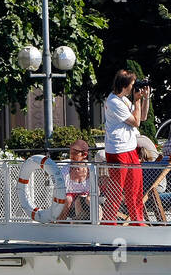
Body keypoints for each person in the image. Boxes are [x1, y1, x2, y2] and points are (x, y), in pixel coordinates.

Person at [102, 69, 149, 225]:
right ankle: (109, 224)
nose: (135, 87)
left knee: (135, 189)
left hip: (130, 149)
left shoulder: (123, 100)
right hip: (117, 151)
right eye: (133, 84)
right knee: (116, 191)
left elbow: (142, 117)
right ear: (125, 85)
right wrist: (136, 101)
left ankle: (138, 222)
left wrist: (145, 99)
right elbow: (135, 122)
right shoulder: (113, 101)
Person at [57, 139, 92, 221]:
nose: (71, 156)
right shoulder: (66, 169)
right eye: (70, 152)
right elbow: (60, 190)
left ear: (84, 155)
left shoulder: (91, 169)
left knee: (81, 200)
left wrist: (88, 197)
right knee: (68, 199)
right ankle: (60, 224)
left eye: (75, 153)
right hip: (68, 200)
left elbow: (95, 190)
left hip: (84, 200)